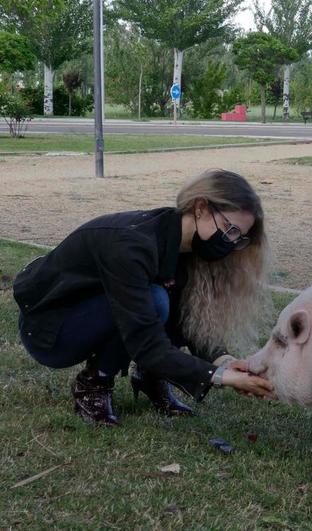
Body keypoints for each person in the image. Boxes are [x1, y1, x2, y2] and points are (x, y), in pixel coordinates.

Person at [13, 169, 274, 426]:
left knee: (177, 299)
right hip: (50, 328)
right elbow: (145, 341)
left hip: (91, 313)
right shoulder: (131, 246)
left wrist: (226, 363)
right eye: (229, 229)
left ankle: (152, 376)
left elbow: (193, 320)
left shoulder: (189, 246)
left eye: (238, 238)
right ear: (200, 208)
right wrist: (220, 377)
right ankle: (93, 384)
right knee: (156, 299)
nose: (230, 243)